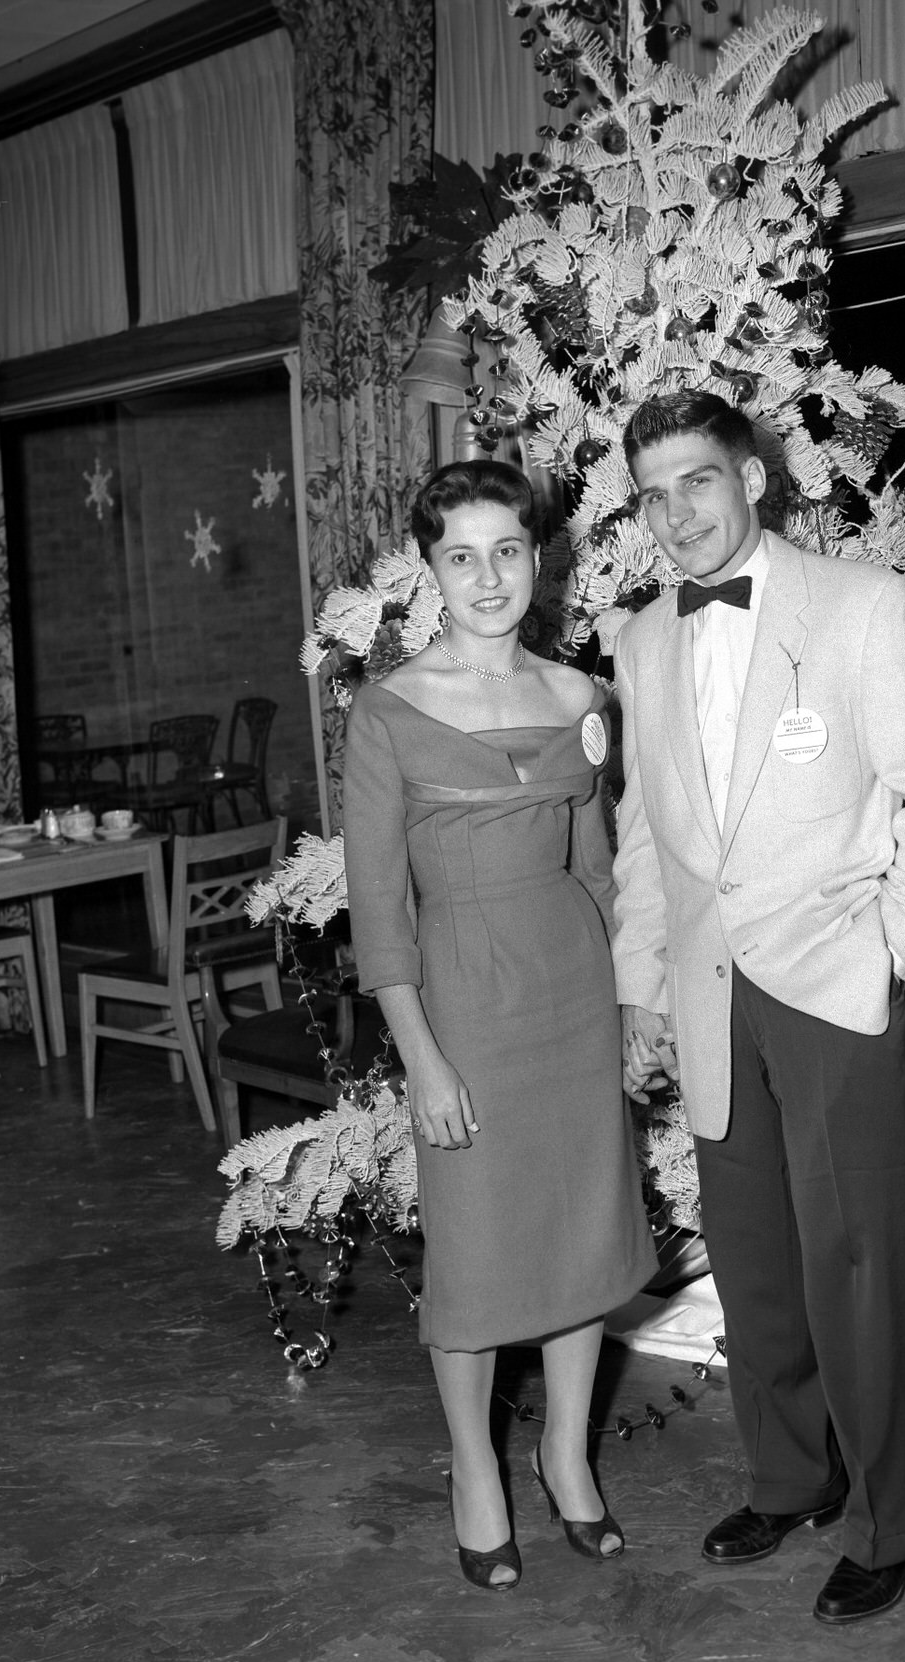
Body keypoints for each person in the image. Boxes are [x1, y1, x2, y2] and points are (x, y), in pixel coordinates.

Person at [611, 391, 905, 1624]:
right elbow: (642, 833)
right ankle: (788, 1472)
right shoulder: (636, 642)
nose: (676, 514)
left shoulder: (860, 606)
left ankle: (887, 1518)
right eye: (654, 493)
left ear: (752, 478)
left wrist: (889, 949)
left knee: (858, 1260)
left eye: (697, 483)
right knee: (754, 1259)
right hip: (711, 990)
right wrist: (642, 982)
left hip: (833, 987)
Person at [342, 460, 656, 1592]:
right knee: (476, 1255)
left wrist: (634, 1005)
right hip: (462, 1004)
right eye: (459, 556)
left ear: (538, 557)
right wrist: (419, 1055)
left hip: (572, 995)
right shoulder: (386, 711)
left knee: (580, 1237)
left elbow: (600, 870)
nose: (487, 577)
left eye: (507, 551)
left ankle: (565, 1454)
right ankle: (473, 1465)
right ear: (428, 570)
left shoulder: (580, 698)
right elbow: (378, 909)